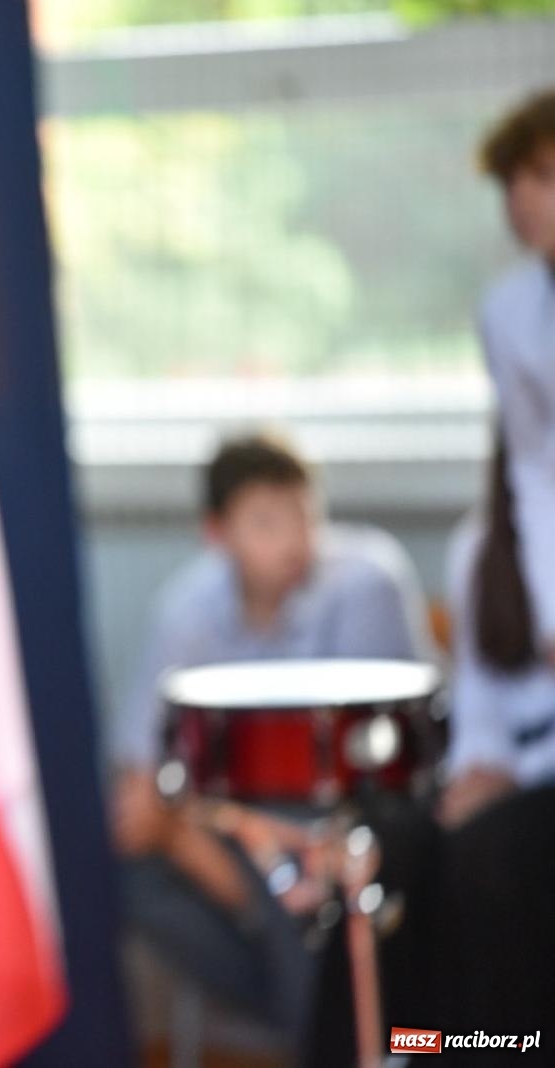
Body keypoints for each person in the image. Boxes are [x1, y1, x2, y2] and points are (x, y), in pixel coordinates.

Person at [110, 432, 431, 1057]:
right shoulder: (189, 610)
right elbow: (138, 795)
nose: (293, 540)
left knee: (305, 881)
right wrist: (196, 839)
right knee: (135, 876)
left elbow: (392, 756)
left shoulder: (366, 584)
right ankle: (327, 1021)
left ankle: (319, 1017)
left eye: (305, 515)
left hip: (353, 818)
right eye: (265, 522)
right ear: (217, 532)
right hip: (235, 831)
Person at [431, 434, 555, 1059]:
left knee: (500, 852)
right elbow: (479, 723)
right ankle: (437, 1047)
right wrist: (476, 778)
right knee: (406, 851)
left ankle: (513, 1046)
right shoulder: (483, 548)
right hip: (522, 781)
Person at [476, 88, 555, 665]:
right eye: (511, 183)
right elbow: (534, 468)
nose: (523, 198)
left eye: (545, 176)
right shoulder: (507, 312)